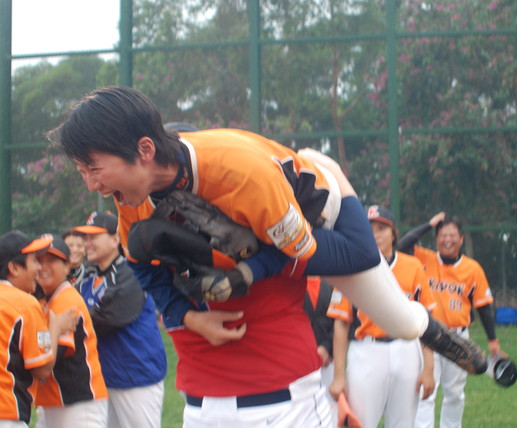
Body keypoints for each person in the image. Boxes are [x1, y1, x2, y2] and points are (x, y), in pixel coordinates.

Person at [49, 86, 486, 426]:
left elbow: (294, 253)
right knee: (226, 239)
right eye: (82, 171)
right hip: (262, 234)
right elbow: (141, 265)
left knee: (398, 317)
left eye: (94, 168)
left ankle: (331, 168)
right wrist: (186, 315)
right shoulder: (133, 196)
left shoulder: (241, 176)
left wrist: (244, 274)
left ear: (146, 150)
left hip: (315, 215)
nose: (90, 184)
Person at [328, 205, 436, 428]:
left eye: (381, 229)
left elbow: (427, 321)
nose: (375, 235)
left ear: (393, 234)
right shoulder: (350, 266)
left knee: (403, 423)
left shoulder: (413, 266)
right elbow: (340, 324)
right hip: (367, 351)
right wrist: (338, 376)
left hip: (407, 349)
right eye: (369, 229)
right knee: (361, 421)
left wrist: (428, 368)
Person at [398, 214, 505, 428]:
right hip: (429, 336)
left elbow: (484, 307)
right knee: (426, 391)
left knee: (455, 393)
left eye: (452, 235)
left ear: (461, 239)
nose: (448, 240)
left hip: (458, 337)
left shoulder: (472, 269)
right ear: (436, 239)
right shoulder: (424, 258)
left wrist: (493, 340)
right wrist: (429, 224)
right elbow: (401, 246)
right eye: (443, 235)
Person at [74, 212, 167, 428]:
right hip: (105, 378)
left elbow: (106, 317)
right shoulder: (89, 277)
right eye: (86, 237)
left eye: (94, 236)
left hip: (137, 378)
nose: (88, 243)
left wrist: (68, 323)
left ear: (115, 239)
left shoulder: (131, 272)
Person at [0, 231, 77, 427]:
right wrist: (55, 328)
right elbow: (42, 369)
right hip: (6, 412)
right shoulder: (24, 303)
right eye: (34, 260)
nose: (39, 267)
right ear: (14, 268)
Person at [34, 236, 108, 428]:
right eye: (38, 260)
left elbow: (47, 359)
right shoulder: (43, 301)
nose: (43, 267)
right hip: (57, 403)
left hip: (79, 406)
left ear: (67, 266)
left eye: (51, 260)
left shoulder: (66, 301)